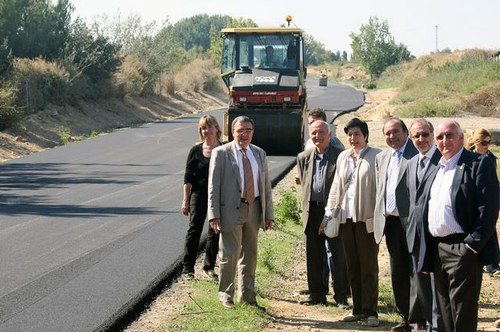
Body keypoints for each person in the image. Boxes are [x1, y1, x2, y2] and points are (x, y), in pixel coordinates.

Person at [420, 120, 499, 332]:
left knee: (462, 315)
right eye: (439, 137)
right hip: (438, 250)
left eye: (449, 135)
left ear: (461, 138)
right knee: (445, 315)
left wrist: (471, 247)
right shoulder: (436, 168)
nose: (444, 141)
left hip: (463, 249)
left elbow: (488, 210)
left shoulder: (478, 163)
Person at [207, 115, 274, 309]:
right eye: (240, 130)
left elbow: (265, 185)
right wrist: (214, 213)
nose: (244, 134)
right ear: (232, 132)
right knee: (230, 252)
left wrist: (268, 213)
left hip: (254, 208)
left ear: (253, 132)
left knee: (250, 254)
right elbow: (214, 186)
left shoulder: (259, 153)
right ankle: (226, 294)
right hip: (230, 210)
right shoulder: (221, 153)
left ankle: (248, 296)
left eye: (248, 130)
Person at [324, 118, 381, 327]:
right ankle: (357, 309)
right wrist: (328, 213)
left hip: (366, 220)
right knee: (352, 266)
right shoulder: (343, 157)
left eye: (357, 134)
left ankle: (371, 311)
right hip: (345, 219)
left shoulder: (377, 156)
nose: (353, 138)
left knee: (369, 267)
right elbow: (336, 187)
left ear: (365, 135)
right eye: (349, 134)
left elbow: (381, 189)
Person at [374, 118, 423, 332]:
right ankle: (405, 317)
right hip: (391, 223)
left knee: (416, 272)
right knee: (398, 272)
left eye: (396, 132)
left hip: (412, 223)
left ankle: (419, 319)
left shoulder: (417, 153)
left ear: (406, 132)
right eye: (387, 133)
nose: (392, 136)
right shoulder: (381, 157)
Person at [296, 120, 349, 307]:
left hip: (333, 210)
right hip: (312, 210)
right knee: (314, 254)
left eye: (321, 133)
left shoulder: (341, 156)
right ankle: (317, 294)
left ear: (330, 134)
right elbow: (305, 184)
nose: (317, 136)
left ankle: (341, 296)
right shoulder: (303, 157)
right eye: (314, 133)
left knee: (337, 253)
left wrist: (335, 210)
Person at [406, 119, 444, 331]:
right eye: (416, 136)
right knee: (421, 286)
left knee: (437, 285)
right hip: (415, 235)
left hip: (436, 237)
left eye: (425, 134)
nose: (421, 140)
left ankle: (437, 326)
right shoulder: (412, 163)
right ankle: (429, 323)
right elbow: (409, 200)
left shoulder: (443, 161)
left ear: (432, 134)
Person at [181, 115, 222, 280]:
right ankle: (187, 269)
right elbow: (188, 178)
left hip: (219, 195)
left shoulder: (225, 148)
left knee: (215, 230)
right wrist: (185, 200)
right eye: (204, 128)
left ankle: (209, 267)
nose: (207, 131)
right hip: (198, 194)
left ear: (217, 129)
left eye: (210, 127)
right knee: (194, 230)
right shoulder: (196, 151)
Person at [465, 128, 500, 276]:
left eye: (489, 142)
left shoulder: (490, 157)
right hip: (472, 201)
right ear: (476, 142)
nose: (487, 146)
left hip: (488, 199)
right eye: (484, 142)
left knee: (490, 231)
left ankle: (492, 264)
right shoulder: (467, 158)